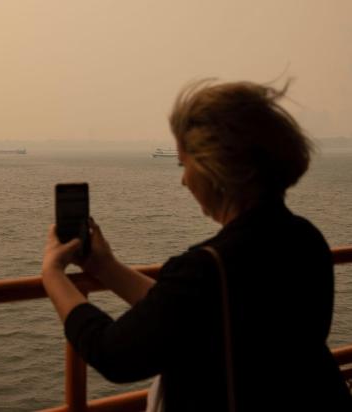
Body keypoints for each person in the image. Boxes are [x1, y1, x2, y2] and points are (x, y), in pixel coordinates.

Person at [41, 79, 352, 411]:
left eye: (184, 164)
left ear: (214, 169)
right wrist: (107, 269)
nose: (183, 179)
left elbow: (114, 354)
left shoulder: (207, 267)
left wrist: (53, 275)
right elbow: (197, 312)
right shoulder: (306, 239)